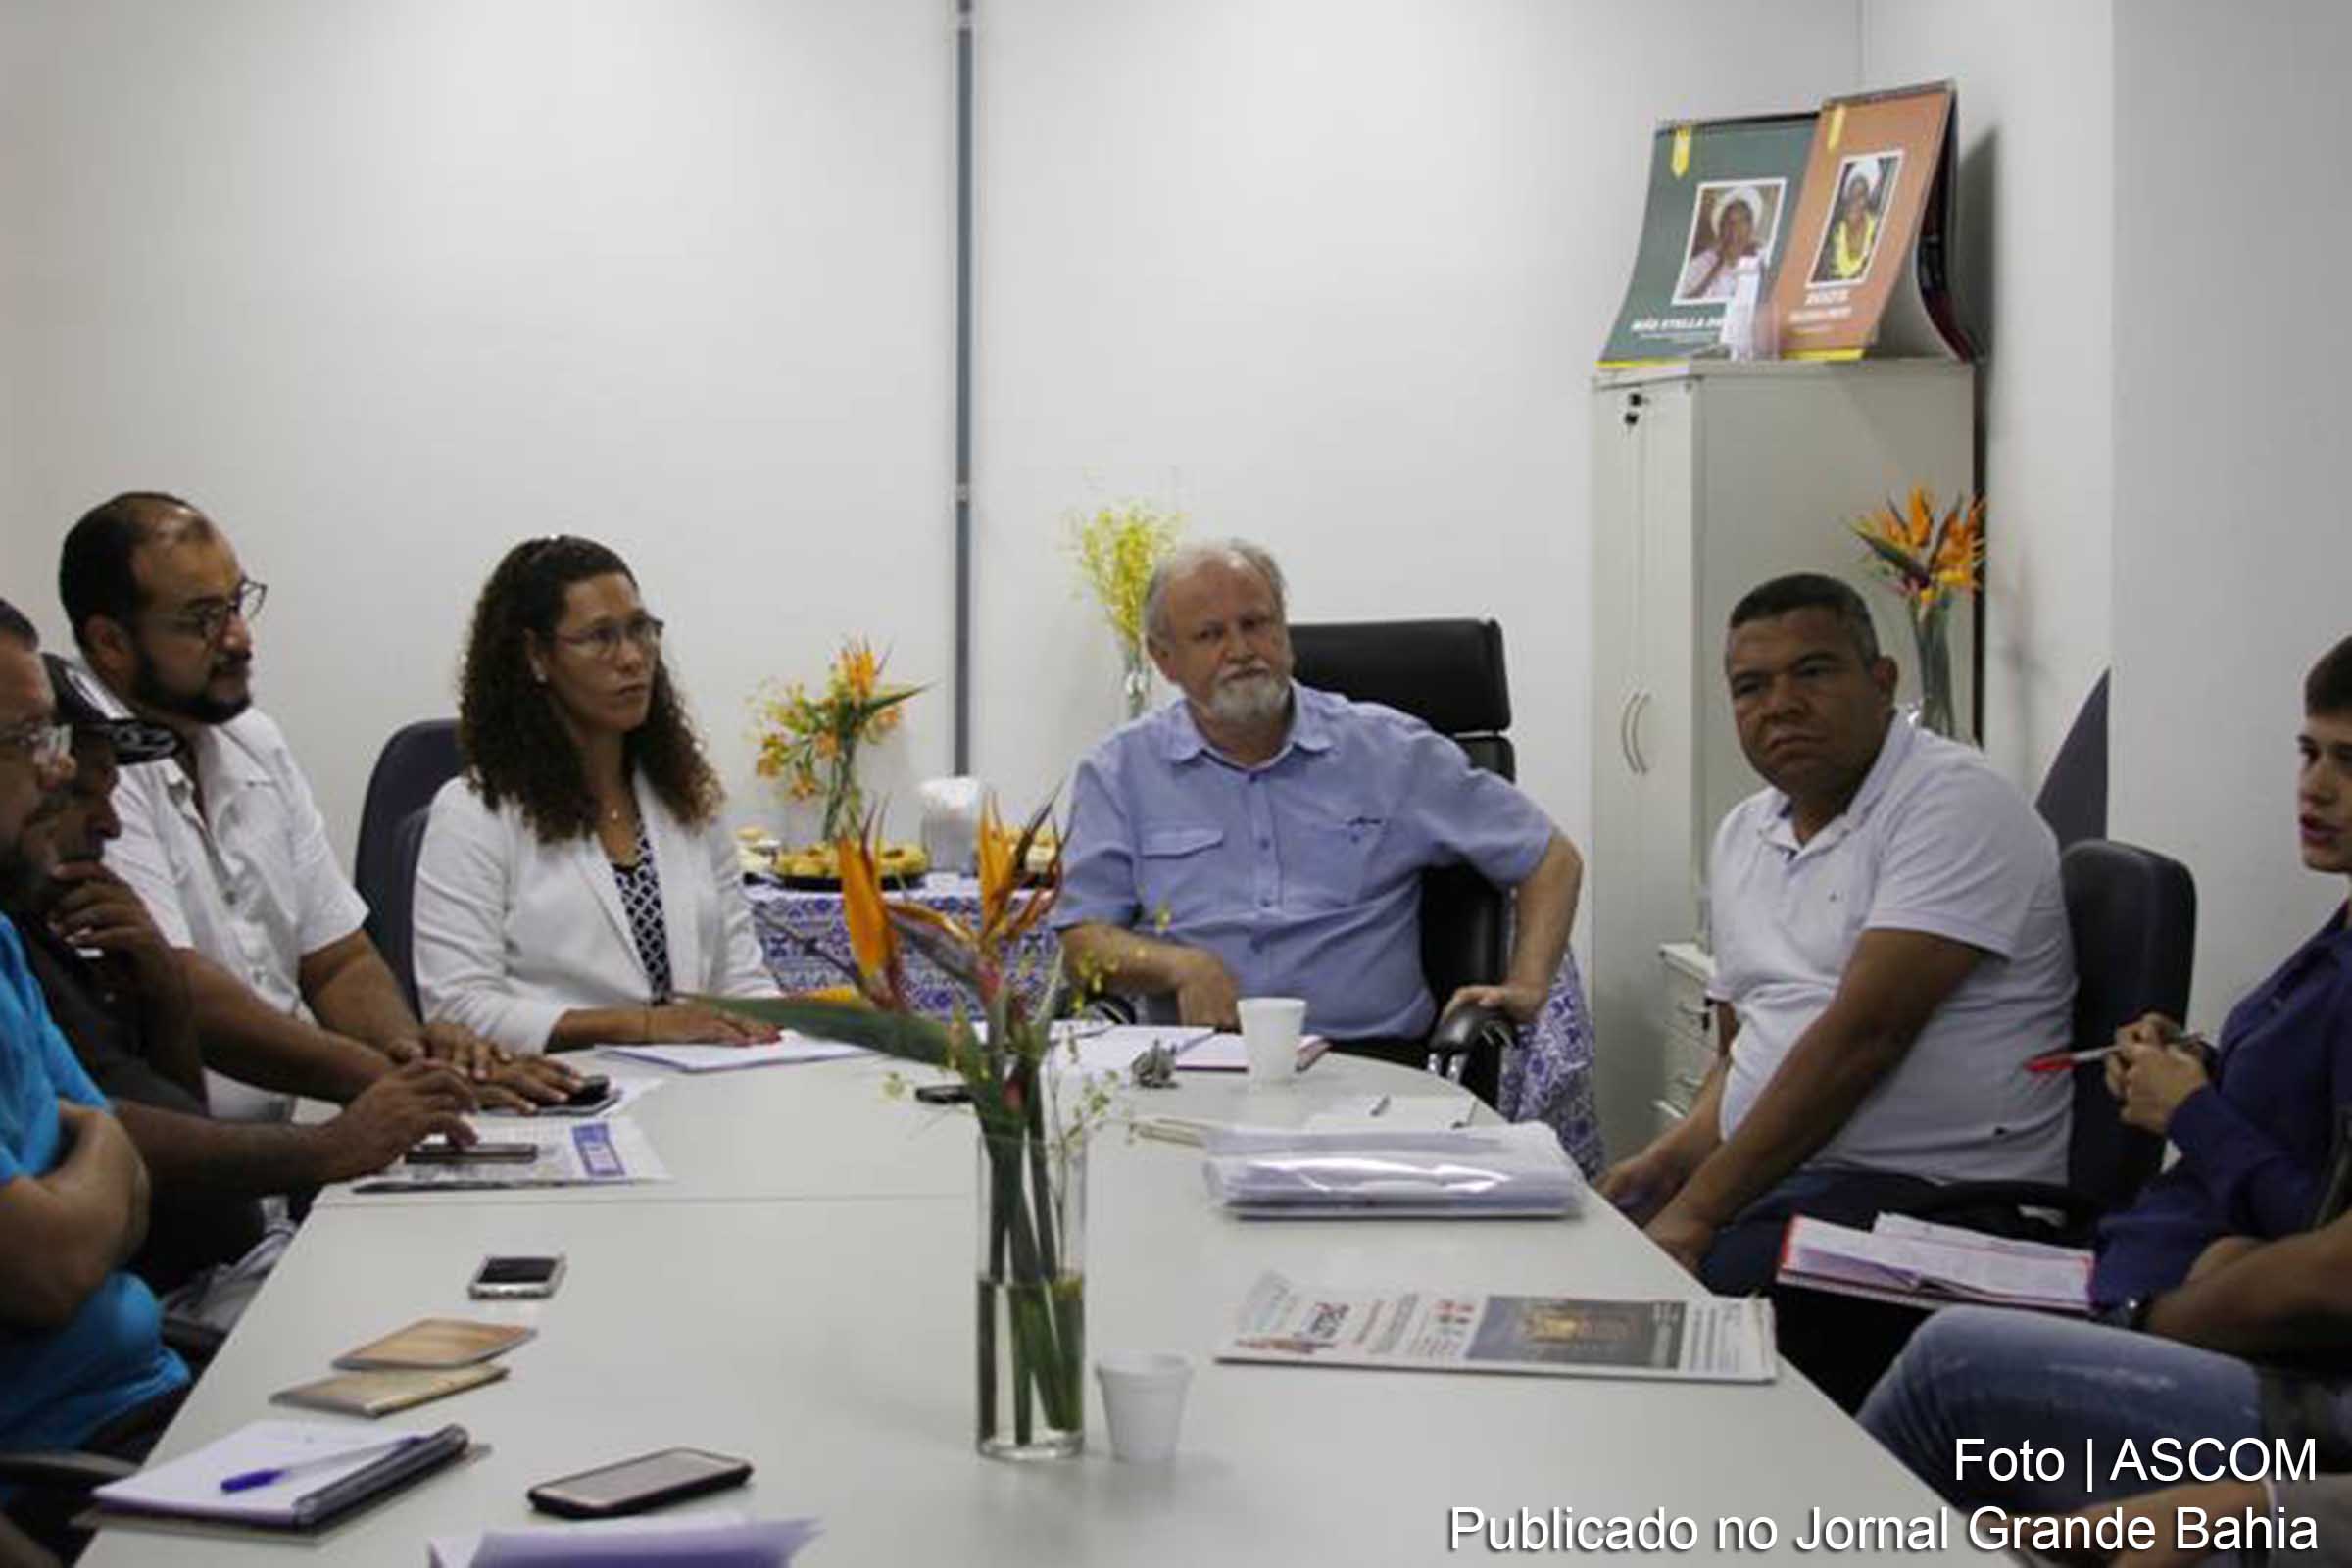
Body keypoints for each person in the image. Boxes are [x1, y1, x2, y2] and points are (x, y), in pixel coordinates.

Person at [1600, 573, 2073, 1399]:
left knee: (1690, 1317)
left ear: (1883, 682)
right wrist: (1669, 1165)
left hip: (1945, 1204)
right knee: (1600, 1260)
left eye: (1812, 673)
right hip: (1801, 1180)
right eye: (1751, 687)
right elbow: (1751, 1046)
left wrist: (1700, 1211)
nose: (1779, 704)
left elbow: (1863, 1041)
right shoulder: (1746, 830)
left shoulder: (1953, 803)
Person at [56, 492, 574, 1120]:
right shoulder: (81, 772)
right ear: (110, 642)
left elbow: (337, 960)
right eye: (201, 619)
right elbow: (181, 988)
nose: (238, 638)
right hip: (175, 1173)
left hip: (275, 1159)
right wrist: (391, 1081)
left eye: (238, 604)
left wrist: (414, 1057)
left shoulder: (252, 741)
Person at [15, 653, 478, 1307]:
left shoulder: (50, 934)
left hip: (224, 1263)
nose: (109, 824)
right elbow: (106, 1159)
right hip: (174, 1314)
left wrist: (162, 990)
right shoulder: (28, 945)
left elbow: (163, 1121)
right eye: (74, 794)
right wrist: (332, 1144)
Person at [1053, 539, 1583, 1053]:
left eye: (1256, 624)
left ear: (1284, 630)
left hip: (1370, 1063)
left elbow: (1550, 858)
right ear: (1165, 659)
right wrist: (1180, 966)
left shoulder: (1390, 753)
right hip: (1202, 1068)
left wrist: (1529, 987)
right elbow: (1084, 944)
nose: (1239, 651)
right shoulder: (1120, 771)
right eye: (1210, 634)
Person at [413, 536, 780, 1053]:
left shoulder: (688, 801)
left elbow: (741, 982)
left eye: (640, 630)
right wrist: (641, 1026)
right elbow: (459, 1010)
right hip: (559, 1096)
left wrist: (787, 1031)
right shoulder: (476, 813)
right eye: (599, 637)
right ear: (536, 656)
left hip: (702, 1090)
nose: (632, 658)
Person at [2088, 633, 2352, 1318]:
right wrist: (2193, 1063)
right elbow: (2292, 1114)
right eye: (2309, 752)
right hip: (2124, 1269)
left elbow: (2319, 1248)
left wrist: (2189, 1110)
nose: (2315, 787)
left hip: (2175, 1319)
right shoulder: (2341, 926)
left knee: (1934, 1369)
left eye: (2349, 762)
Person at [0, 597, 186, 1557]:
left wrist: (97, 1156)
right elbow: (44, 1267)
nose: (59, 767)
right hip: (68, 1468)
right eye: (27, 736)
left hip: (154, 1405)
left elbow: (132, 1165)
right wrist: (97, 1155)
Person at [1676, 185, 1764, 302]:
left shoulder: (1762, 257)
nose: (1735, 230)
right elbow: (1682, 302)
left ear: (1751, 228)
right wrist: (1717, 266)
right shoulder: (1702, 263)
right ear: (1721, 231)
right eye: (1729, 223)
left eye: (1742, 222)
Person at [1814, 158, 1885, 284]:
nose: (1854, 201)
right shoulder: (1833, 235)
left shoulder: (1879, 229)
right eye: (1851, 195)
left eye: (1861, 195)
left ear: (1868, 198)